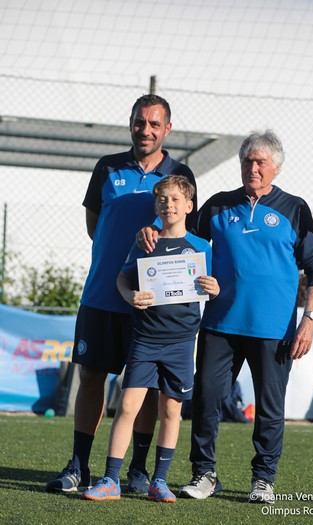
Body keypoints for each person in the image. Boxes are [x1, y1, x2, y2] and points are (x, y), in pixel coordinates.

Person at [139, 130, 313, 504]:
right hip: (219, 324)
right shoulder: (218, 205)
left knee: (270, 407)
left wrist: (310, 319)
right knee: (207, 400)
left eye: (260, 162)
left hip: (275, 330)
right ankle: (204, 474)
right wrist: (153, 231)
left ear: (275, 167)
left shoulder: (295, 208)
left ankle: (263, 479)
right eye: (246, 161)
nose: (252, 168)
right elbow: (181, 239)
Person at [45, 95, 197, 494]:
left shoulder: (180, 173)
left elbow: (181, 232)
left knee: (143, 387)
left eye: (153, 124)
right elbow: (95, 226)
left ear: (167, 129)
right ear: (130, 123)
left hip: (150, 303)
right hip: (101, 293)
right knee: (91, 374)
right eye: (139, 122)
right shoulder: (107, 167)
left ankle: (138, 470)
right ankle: (79, 467)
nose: (145, 130)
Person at [82, 175, 219, 502]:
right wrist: (130, 297)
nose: (168, 205)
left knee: (171, 411)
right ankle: (111, 480)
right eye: (162, 199)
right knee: (127, 406)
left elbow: (211, 287)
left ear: (188, 206)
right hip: (144, 338)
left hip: (182, 342)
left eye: (175, 199)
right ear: (155, 205)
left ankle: (159, 481)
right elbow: (122, 278)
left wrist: (214, 290)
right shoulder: (146, 241)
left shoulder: (201, 248)